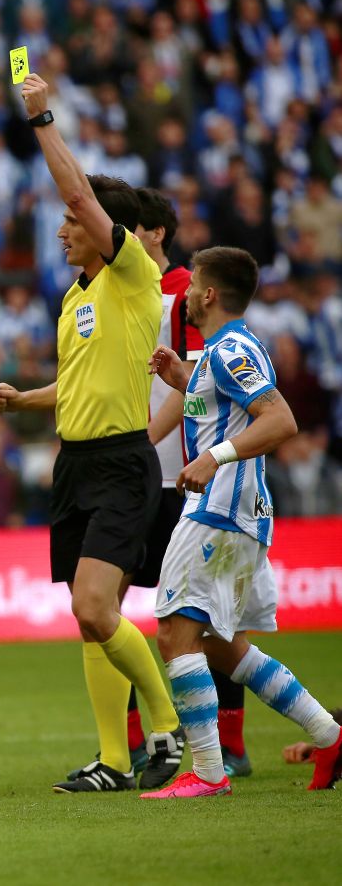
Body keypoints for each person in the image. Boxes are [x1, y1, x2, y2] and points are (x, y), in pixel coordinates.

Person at [0, 75, 183, 794]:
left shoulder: (133, 276)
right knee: (89, 618)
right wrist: (25, 401)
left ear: (105, 227)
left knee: (95, 606)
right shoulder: (75, 298)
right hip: (74, 461)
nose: (64, 228)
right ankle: (111, 758)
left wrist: (39, 115)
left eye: (75, 222)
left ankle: (163, 729)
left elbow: (77, 195)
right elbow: (78, 385)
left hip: (122, 462)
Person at [144, 246, 342, 797]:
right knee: (222, 647)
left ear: (208, 293)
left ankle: (207, 771)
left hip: (220, 507)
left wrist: (215, 457)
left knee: (174, 634)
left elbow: (280, 419)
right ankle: (329, 736)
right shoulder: (225, 349)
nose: (183, 294)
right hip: (241, 511)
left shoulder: (231, 348)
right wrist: (182, 376)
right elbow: (224, 405)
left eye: (192, 285)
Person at [134, 187, 251, 778]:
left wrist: (156, 442)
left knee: (199, 618)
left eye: (127, 228)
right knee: (149, 612)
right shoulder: (113, 291)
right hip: (153, 472)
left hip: (194, 480)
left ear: (154, 232)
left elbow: (223, 393)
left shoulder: (188, 296)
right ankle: (149, 742)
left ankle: (221, 750)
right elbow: (194, 381)